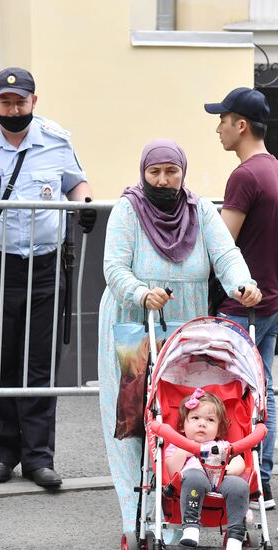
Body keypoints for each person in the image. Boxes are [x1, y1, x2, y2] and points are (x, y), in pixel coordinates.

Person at [97, 139, 261, 533]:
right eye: (155, 172)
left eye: (171, 172)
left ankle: (173, 510)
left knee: (178, 415)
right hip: (134, 325)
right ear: (143, 172)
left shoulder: (200, 209)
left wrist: (243, 284)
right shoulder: (128, 209)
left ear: (183, 173)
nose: (163, 180)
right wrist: (141, 292)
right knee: (132, 418)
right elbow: (113, 266)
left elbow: (225, 254)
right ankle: (134, 516)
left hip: (186, 328)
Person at [0, 67, 96, 487]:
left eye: (21, 101)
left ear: (34, 100)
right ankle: (2, 453)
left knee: (40, 362)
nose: (14, 108)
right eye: (6, 102)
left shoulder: (56, 139)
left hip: (45, 264)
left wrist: (84, 203)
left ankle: (38, 458)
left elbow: (76, 182)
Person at [204, 87, 278, 510]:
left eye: (223, 120)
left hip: (240, 304)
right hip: (270, 301)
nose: (218, 128)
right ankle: (261, 483)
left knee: (232, 391)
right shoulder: (274, 169)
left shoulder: (245, 176)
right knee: (262, 391)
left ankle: (237, 481)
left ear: (241, 125)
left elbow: (222, 245)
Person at [165, 388, 249, 549]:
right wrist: (184, 452)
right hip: (193, 484)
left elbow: (239, 459)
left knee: (240, 486)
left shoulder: (222, 445)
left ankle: (235, 536)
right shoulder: (178, 446)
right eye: (195, 418)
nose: (202, 423)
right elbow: (171, 471)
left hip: (221, 479)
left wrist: (233, 468)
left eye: (210, 420)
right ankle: (190, 528)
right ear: (183, 426)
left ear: (219, 428)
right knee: (194, 477)